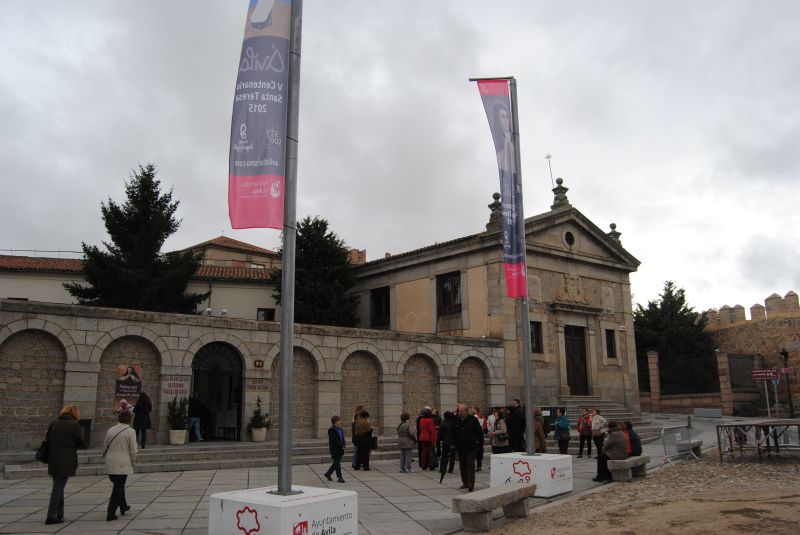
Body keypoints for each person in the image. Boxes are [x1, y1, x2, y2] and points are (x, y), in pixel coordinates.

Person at [44, 405, 86, 525]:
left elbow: (48, 438)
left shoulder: (54, 423)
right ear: (75, 414)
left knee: (58, 487)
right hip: (66, 459)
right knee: (58, 488)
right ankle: (51, 515)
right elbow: (80, 441)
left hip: (53, 458)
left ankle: (59, 514)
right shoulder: (74, 425)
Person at [103, 410, 137, 521]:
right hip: (122, 462)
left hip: (110, 461)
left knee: (118, 484)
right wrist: (133, 461)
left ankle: (123, 506)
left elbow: (105, 446)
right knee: (118, 487)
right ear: (129, 419)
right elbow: (133, 450)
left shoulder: (110, 430)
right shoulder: (130, 431)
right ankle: (111, 512)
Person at [454, 403, 483, 492]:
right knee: (462, 466)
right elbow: (453, 432)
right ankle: (465, 482)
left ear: (466, 411)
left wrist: (479, 446)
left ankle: (471, 484)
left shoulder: (473, 420)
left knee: (470, 466)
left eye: (462, 411)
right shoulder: (457, 420)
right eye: (459, 411)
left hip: (471, 448)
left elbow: (479, 433)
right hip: (460, 447)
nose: (460, 413)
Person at [324, 415, 346, 483]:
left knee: (336, 463)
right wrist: (340, 446)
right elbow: (334, 441)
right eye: (339, 420)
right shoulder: (332, 430)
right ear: (336, 421)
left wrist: (343, 445)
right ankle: (340, 477)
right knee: (337, 463)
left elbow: (342, 438)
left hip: (340, 449)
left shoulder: (340, 429)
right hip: (335, 449)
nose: (340, 422)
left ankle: (328, 474)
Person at [472, 407, 486, 471]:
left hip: (479, 436)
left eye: (474, 411)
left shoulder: (481, 418)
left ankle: (479, 466)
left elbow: (484, 426)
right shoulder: (471, 418)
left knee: (479, 452)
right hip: (474, 436)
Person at [351, 405, 364, 469]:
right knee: (356, 451)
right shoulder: (355, 419)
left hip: (357, 438)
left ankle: (358, 462)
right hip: (357, 438)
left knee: (358, 451)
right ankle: (354, 463)